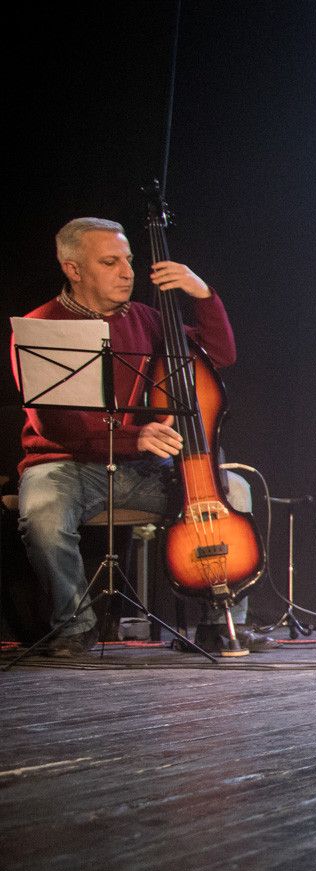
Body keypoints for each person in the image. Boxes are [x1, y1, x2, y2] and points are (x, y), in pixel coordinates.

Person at [12, 217, 258, 656]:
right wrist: (133, 436)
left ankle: (222, 624)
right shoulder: (41, 326)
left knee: (233, 490)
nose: (127, 272)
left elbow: (220, 354)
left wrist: (202, 294)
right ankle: (74, 626)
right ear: (73, 269)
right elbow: (54, 424)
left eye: (127, 260)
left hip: (138, 467)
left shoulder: (144, 318)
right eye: (110, 262)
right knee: (43, 512)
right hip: (65, 465)